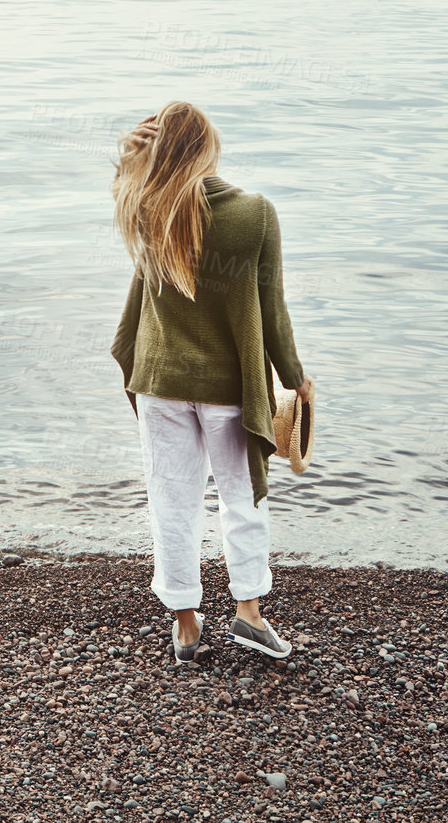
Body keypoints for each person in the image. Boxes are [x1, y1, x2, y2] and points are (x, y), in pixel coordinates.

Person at [108, 101, 315, 664]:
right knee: (242, 496)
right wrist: (295, 379)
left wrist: (131, 154)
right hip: (228, 388)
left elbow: (123, 187)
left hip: (160, 382)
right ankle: (248, 613)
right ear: (207, 149)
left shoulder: (145, 209)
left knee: (171, 500)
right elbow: (272, 310)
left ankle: (185, 624)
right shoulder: (255, 212)